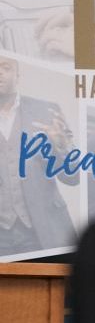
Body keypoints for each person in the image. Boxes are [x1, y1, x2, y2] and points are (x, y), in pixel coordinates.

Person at [0, 54, 77, 257]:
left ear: (18, 75)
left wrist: (61, 145)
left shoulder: (47, 111)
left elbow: (73, 176)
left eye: (5, 67)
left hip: (42, 230)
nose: (0, 72)